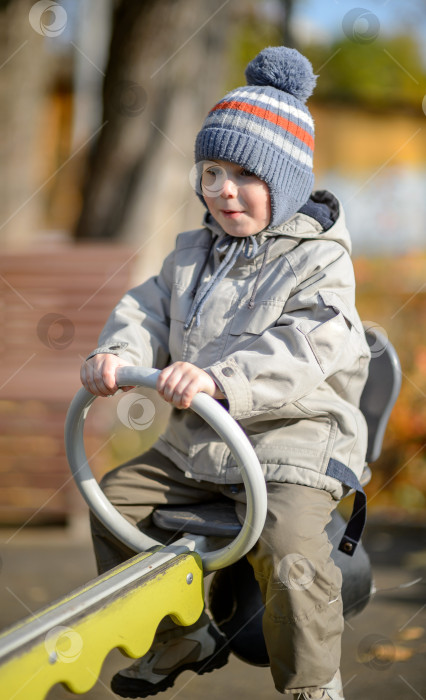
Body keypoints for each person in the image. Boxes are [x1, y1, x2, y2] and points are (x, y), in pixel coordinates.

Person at [80, 46, 371, 700]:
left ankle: (312, 684)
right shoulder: (191, 254)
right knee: (113, 502)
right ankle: (177, 635)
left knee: (292, 545)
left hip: (290, 439)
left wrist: (221, 381)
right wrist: (117, 355)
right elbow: (145, 309)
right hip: (201, 444)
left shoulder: (319, 261)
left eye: (245, 174)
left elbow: (308, 345)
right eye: (211, 172)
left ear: (286, 183)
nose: (223, 190)